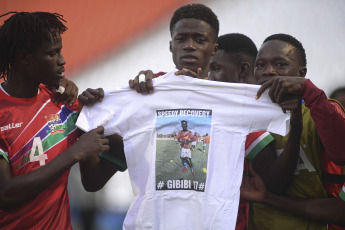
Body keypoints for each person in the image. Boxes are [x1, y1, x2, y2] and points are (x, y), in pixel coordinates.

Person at [77, 4, 291, 230]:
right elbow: (93, 182)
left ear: (214, 48)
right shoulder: (146, 93)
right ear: (171, 45)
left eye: (199, 39)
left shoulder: (233, 101)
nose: (189, 46)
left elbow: (277, 181)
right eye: (181, 39)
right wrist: (88, 122)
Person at [0, 11, 111, 229]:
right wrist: (75, 152)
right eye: (52, 53)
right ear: (24, 58)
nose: (62, 61)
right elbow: (5, 194)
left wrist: (121, 147)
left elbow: (92, 182)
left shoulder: (64, 102)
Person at [250, 33, 345, 230]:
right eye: (260, 65)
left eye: (280, 64)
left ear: (301, 74)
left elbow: (342, 152)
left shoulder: (320, 110)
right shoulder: (246, 118)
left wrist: (309, 92)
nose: (268, 71)